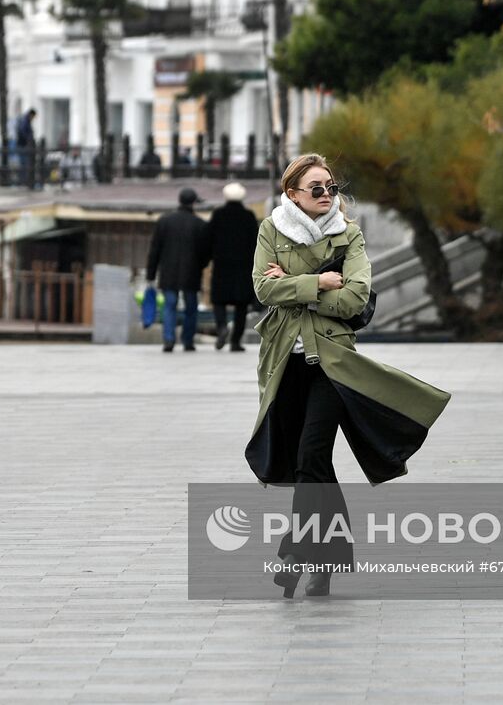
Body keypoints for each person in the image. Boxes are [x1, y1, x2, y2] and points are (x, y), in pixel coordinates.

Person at [248, 153, 451, 598]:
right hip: (284, 359)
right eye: (315, 188)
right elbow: (263, 289)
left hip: (333, 361)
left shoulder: (349, 235)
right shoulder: (271, 230)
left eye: (330, 188)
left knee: (309, 455)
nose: (325, 195)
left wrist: (298, 286)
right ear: (292, 194)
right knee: (315, 466)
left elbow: (356, 299)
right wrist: (320, 283)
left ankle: (299, 552)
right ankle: (327, 560)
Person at [146, 187, 208, 353]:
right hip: (191, 272)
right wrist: (200, 265)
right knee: (191, 307)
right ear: (194, 203)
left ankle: (168, 339)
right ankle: (187, 340)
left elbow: (155, 249)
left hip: (168, 272)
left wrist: (150, 273)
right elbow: (205, 252)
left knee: (169, 305)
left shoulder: (164, 221)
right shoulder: (200, 224)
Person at [207, 182, 258, 352]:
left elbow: (209, 239)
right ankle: (236, 341)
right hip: (244, 267)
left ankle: (222, 327)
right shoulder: (249, 216)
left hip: (222, 265)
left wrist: (207, 258)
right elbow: (256, 242)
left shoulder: (218, 215)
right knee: (241, 306)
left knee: (218, 300)